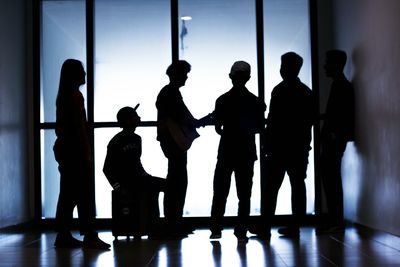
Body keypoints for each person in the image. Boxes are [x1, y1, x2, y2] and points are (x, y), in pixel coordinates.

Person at [53, 59, 110, 249]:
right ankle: (90, 235)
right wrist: (87, 152)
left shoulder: (63, 96)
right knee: (84, 194)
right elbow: (80, 127)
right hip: (75, 150)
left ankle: (63, 234)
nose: (85, 74)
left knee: (67, 194)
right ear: (75, 75)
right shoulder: (76, 96)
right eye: (82, 71)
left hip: (63, 149)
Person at [257, 52, 314, 238]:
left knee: (271, 187)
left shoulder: (279, 91)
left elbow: (273, 122)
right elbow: (308, 122)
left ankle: (265, 227)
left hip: (279, 148)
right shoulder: (306, 92)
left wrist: (267, 145)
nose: (281, 69)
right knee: (297, 185)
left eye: (282, 66)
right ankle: (295, 226)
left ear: (287, 68)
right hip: (298, 147)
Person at [209, 61, 266, 241]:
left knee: (220, 192)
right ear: (248, 78)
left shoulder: (222, 100)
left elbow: (218, 128)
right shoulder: (256, 102)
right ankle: (241, 230)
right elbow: (259, 128)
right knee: (244, 194)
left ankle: (216, 229)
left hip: (226, 150)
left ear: (231, 77)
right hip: (247, 151)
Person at [103, 105, 166, 238]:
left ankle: (157, 226)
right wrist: (118, 187)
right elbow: (107, 168)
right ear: (126, 121)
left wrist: (145, 174)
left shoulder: (137, 138)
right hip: (128, 182)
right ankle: (159, 227)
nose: (139, 118)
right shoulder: (116, 141)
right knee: (162, 186)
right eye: (135, 116)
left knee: (164, 186)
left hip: (139, 179)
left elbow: (136, 163)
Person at [155, 60, 199, 238]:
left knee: (175, 178)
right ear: (177, 74)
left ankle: (173, 221)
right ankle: (173, 221)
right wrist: (196, 122)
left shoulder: (167, 92)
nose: (186, 77)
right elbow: (183, 114)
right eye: (184, 74)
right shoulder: (171, 93)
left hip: (171, 141)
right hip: (174, 142)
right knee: (177, 180)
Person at [316, 50, 355, 235]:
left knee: (331, 180)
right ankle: (335, 220)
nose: (324, 66)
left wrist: (333, 134)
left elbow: (341, 115)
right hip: (334, 139)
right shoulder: (341, 85)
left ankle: (336, 220)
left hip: (333, 140)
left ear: (337, 64)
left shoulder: (341, 86)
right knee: (331, 179)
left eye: (327, 62)